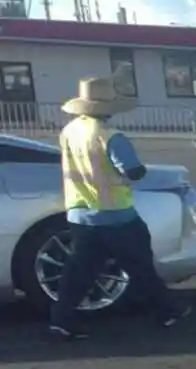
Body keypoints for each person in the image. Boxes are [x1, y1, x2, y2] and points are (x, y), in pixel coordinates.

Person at [48, 77, 187, 340]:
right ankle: (166, 311)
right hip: (116, 214)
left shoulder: (69, 131)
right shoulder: (110, 136)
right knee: (140, 265)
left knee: (80, 270)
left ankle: (62, 318)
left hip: (80, 212)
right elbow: (132, 170)